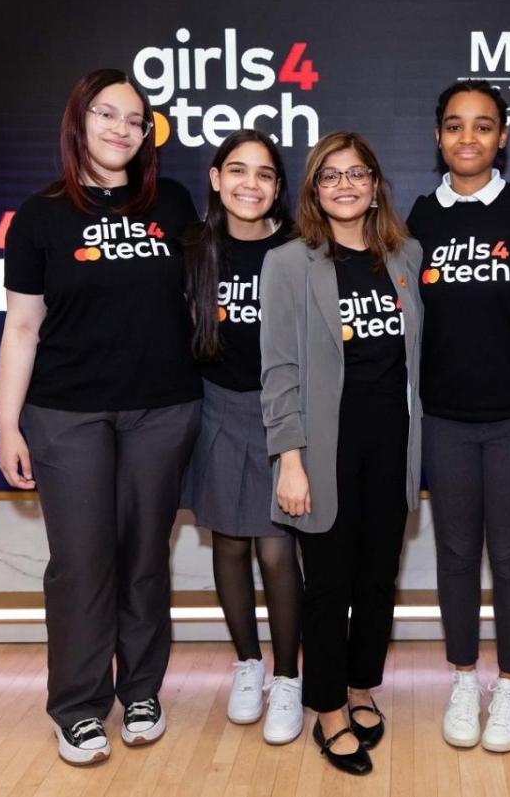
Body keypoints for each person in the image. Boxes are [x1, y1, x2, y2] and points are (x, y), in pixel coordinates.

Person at [0, 68, 201, 765]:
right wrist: (6, 424)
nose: (121, 128)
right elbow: (22, 328)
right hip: (65, 415)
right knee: (82, 564)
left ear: (148, 133)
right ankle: (78, 705)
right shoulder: (40, 215)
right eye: (106, 114)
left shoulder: (172, 203)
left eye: (135, 119)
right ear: (78, 122)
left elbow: (211, 292)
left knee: (144, 556)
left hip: (162, 410)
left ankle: (141, 689)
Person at [259, 131, 423, 776]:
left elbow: (416, 361)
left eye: (357, 174)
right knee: (327, 586)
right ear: (314, 189)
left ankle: (361, 687)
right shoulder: (290, 262)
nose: (345, 186)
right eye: (331, 176)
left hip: (393, 443)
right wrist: (289, 459)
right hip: (323, 449)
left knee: (378, 579)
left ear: (376, 183)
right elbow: (279, 371)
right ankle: (326, 707)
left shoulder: (405, 253)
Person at [405, 79, 510, 753]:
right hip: (444, 417)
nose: (469, 138)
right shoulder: (418, 218)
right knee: (457, 552)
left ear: (504, 137)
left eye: (484, 126)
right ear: (438, 138)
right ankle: (464, 675)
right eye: (456, 126)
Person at [181, 129, 303, 745]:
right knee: (228, 545)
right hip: (215, 409)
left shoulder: (299, 249)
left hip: (280, 412)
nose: (249, 184)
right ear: (215, 178)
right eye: (237, 170)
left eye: (264, 174)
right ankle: (248, 666)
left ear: (278, 188)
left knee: (277, 550)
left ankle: (288, 678)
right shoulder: (193, 249)